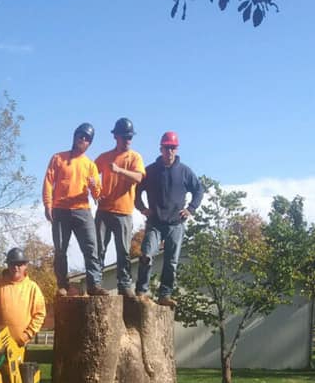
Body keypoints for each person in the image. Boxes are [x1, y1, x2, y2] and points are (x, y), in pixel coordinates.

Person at [135, 131, 204, 308]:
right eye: (166, 148)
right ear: (161, 148)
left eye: (172, 148)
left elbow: (198, 190)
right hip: (155, 223)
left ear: (176, 149)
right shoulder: (150, 171)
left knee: (171, 262)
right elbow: (136, 190)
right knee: (146, 256)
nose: (169, 151)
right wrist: (142, 208)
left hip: (176, 224)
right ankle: (141, 291)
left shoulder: (184, 171)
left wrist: (191, 208)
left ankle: (164, 295)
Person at [42, 123, 109, 297]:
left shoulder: (90, 165)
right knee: (60, 250)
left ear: (89, 143)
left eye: (87, 139)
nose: (83, 140)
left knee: (91, 248)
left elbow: (97, 194)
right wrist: (47, 204)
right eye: (81, 136)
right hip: (60, 210)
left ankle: (94, 285)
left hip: (82, 211)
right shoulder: (58, 158)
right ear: (75, 136)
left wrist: (95, 187)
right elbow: (48, 182)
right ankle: (62, 285)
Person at [94, 117, 146, 299]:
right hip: (104, 211)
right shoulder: (105, 157)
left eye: (130, 137)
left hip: (124, 212)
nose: (128, 140)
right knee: (98, 248)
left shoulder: (135, 157)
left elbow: (139, 178)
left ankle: (124, 285)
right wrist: (95, 190)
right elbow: (90, 173)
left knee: (123, 250)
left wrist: (119, 170)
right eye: (124, 137)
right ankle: (95, 283)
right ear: (116, 136)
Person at [0, 247, 46, 345]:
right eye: (12, 264)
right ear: (7, 265)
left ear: (25, 266)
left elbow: (39, 314)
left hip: (20, 345)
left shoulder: (33, 288)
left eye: (19, 264)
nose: (16, 267)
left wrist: (27, 335)